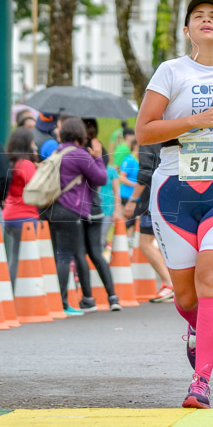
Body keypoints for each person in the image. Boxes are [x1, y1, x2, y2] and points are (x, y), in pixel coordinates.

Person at [136, 0, 213, 409]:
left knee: (210, 282)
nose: (207, 21)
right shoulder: (171, 71)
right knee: (186, 298)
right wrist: (194, 121)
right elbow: (144, 131)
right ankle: (197, 329)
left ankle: (200, 380)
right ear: (186, 30)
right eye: (198, 16)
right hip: (173, 187)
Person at [41, 117, 109, 315]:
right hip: (71, 209)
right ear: (80, 134)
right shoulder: (79, 155)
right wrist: (97, 156)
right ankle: (69, 302)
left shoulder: (58, 152)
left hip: (53, 208)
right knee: (69, 255)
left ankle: (60, 300)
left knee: (61, 254)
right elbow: (101, 178)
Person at [122, 143, 175, 303]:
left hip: (153, 198)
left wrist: (132, 199)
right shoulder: (171, 129)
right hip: (176, 192)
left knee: (145, 243)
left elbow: (145, 172)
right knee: (173, 241)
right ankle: (180, 284)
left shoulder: (148, 139)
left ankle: (170, 284)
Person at [82, 117, 121, 311]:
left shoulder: (83, 149)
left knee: (84, 253)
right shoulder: (97, 147)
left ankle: (88, 298)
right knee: (96, 252)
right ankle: (112, 296)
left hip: (85, 206)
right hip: (96, 207)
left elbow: (100, 176)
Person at [0, 128, 42, 290]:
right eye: (32, 142)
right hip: (25, 216)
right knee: (20, 257)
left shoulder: (11, 163)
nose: (34, 145)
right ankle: (14, 291)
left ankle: (15, 290)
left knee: (15, 255)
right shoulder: (26, 164)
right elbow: (35, 187)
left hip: (10, 215)